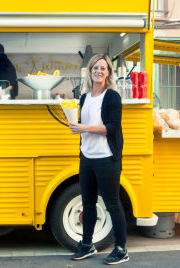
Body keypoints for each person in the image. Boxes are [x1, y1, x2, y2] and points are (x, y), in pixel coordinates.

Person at [68, 53, 127, 265]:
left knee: (112, 205)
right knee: (88, 204)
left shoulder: (112, 97)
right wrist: (76, 126)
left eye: (103, 68)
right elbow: (83, 126)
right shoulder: (84, 98)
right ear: (90, 72)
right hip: (87, 158)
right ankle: (87, 244)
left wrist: (85, 128)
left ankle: (121, 249)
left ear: (108, 72)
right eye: (95, 68)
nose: (98, 71)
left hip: (106, 158)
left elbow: (113, 127)